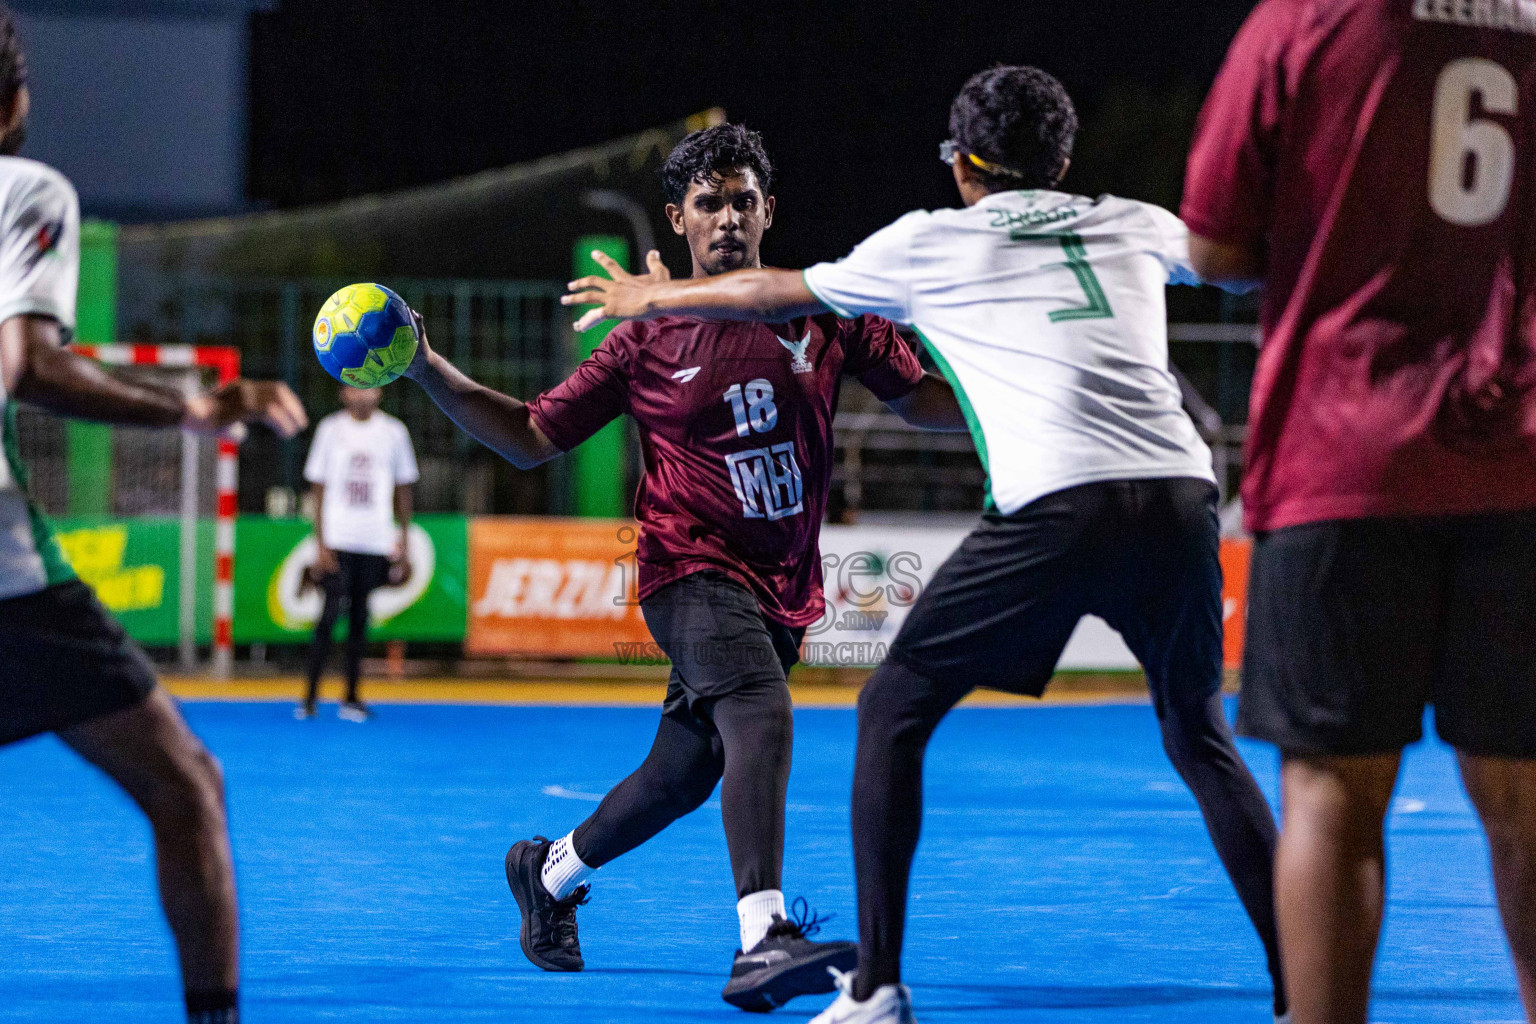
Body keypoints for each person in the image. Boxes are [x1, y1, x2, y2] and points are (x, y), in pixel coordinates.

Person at [565, 66, 1287, 1024]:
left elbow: (774, 293)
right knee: (1201, 737)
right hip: (1181, 489)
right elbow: (1247, 259)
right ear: (1063, 159)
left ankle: (874, 991)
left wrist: (648, 303)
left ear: (960, 166)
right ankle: (1305, 985)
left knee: (892, 710)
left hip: (1057, 503)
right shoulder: (1130, 219)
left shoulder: (929, 241)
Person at [403, 123, 966, 1011]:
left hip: (780, 585)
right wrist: (427, 367)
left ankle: (546, 875)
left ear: (769, 210)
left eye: (745, 200)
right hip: (686, 569)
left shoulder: (823, 308)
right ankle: (762, 940)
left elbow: (926, 401)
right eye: (710, 203)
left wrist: (1007, 405)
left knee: (685, 771)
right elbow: (526, 437)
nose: (730, 217)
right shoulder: (645, 339)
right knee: (760, 713)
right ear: (678, 219)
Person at [1182, 3, 1536, 1022]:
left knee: (1335, 795)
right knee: (1526, 802)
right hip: (1518, 456)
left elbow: (1211, 242)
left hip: (1345, 448)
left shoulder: (1307, 16)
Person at [0, 11, 307, 1023]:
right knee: (186, 788)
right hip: (10, 590)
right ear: (13, 103)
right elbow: (35, 364)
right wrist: (193, 407)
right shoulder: (25, 189)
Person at [298, 385, 417, 721]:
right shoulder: (330, 430)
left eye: (369, 387)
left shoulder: (394, 432)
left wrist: (403, 542)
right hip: (338, 539)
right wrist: (320, 542)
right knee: (327, 617)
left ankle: (351, 697)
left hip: (375, 540)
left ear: (380, 392)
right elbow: (318, 487)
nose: (362, 394)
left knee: (360, 620)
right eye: (355, 387)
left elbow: (403, 488)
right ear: (342, 393)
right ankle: (309, 697)